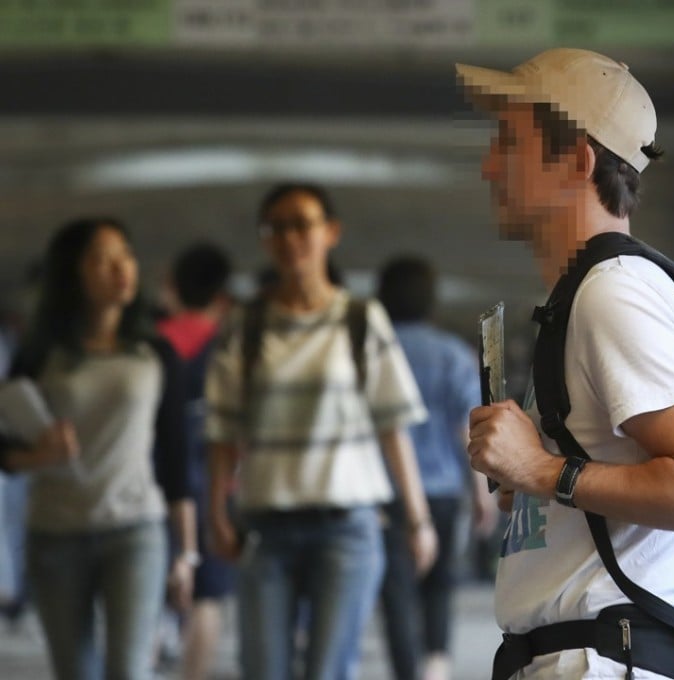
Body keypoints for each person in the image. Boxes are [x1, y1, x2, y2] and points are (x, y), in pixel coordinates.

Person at [456, 48, 674, 679]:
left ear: (577, 160)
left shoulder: (614, 293)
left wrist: (543, 470)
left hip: (604, 662)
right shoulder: (587, 295)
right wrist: (536, 475)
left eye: (509, 142)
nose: (489, 165)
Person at [204, 183, 438, 680]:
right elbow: (222, 431)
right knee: (263, 667)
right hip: (266, 526)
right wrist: (216, 513)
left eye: (302, 224)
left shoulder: (359, 318)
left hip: (347, 527)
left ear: (330, 232)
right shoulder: (244, 325)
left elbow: (392, 426)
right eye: (277, 227)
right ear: (265, 239)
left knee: (329, 669)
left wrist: (417, 520)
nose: (291, 238)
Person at [0, 218, 196, 679]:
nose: (119, 268)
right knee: (75, 672)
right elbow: (5, 447)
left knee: (129, 669)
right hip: (56, 532)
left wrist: (186, 553)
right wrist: (38, 456)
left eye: (124, 255)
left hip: (135, 528)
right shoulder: (42, 353)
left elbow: (175, 457)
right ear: (73, 273)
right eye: (102, 259)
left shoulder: (154, 353)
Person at [375, 256, 498, 680]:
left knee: (395, 591)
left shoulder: (373, 351)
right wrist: (482, 493)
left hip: (385, 492)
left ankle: (406, 671)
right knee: (439, 584)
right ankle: (437, 665)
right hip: (444, 490)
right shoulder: (451, 354)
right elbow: (467, 429)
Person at [156, 242, 235, 680]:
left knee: (152, 593)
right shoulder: (230, 344)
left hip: (154, 482)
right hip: (214, 486)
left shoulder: (154, 342)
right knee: (206, 597)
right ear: (221, 295)